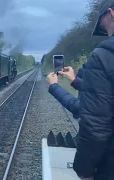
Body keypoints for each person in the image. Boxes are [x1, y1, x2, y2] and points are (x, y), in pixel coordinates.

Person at [70, 0, 114, 179]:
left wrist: (84, 170)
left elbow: (95, 125)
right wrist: (75, 81)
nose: (105, 33)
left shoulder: (104, 56)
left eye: (103, 25)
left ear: (111, 13)